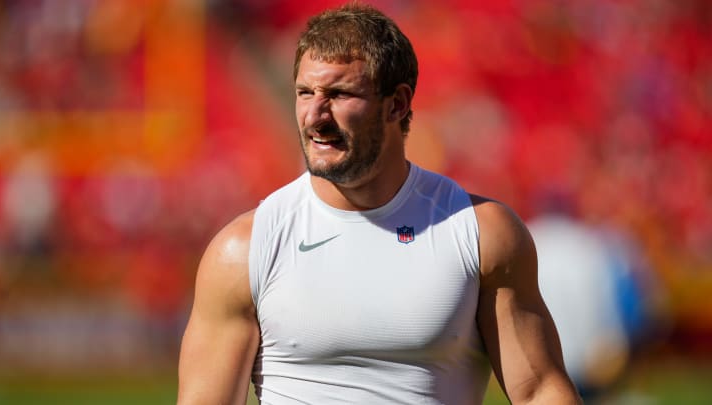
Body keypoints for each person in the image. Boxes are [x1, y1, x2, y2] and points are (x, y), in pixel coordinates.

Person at [177, 3, 581, 404]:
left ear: (398, 104)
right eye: (304, 93)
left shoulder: (480, 233)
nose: (314, 115)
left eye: (339, 94)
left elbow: (539, 390)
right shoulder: (244, 250)